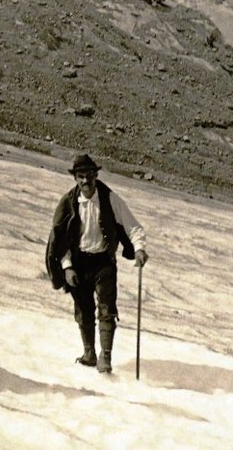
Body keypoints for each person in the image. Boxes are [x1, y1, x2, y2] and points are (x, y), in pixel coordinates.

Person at [46, 154, 148, 373]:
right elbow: (60, 239)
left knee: (107, 309)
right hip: (79, 263)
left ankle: (106, 356)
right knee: (83, 309)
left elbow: (133, 227)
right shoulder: (69, 202)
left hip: (104, 261)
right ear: (75, 178)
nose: (85, 181)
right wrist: (66, 267)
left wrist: (138, 248)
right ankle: (89, 353)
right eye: (81, 177)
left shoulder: (110, 199)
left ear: (96, 176)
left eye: (89, 176)